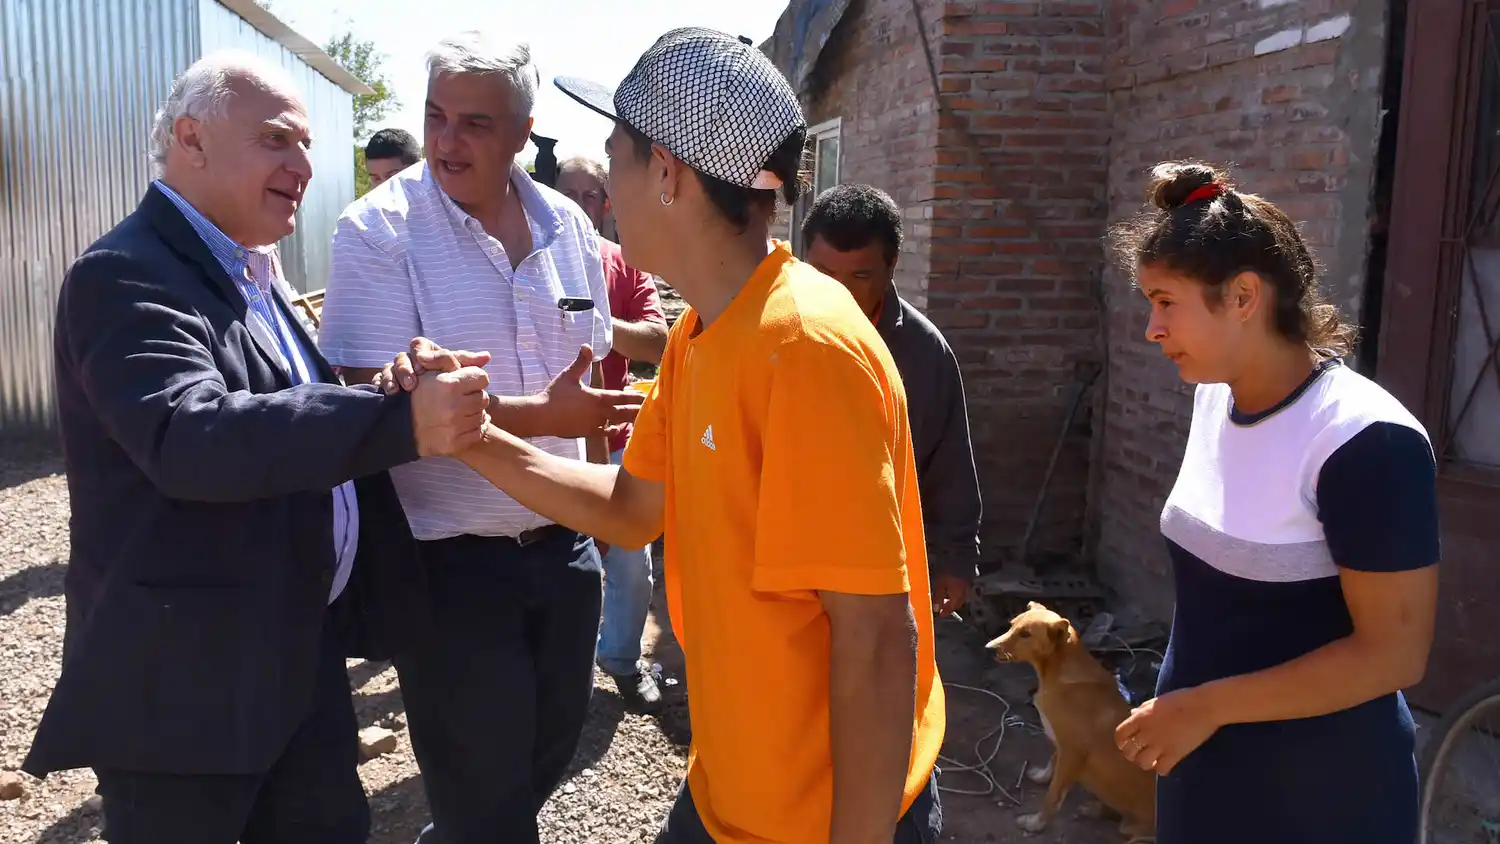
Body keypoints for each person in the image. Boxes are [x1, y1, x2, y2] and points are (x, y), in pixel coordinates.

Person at [384, 27, 945, 844]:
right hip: (732, 794)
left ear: (669, 174)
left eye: (617, 155)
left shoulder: (805, 348)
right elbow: (630, 508)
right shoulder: (703, 332)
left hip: (820, 819)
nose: (607, 189)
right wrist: (467, 431)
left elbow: (875, 638)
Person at [21, 50, 490, 844]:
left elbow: (277, 407)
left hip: (291, 657)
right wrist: (399, 423)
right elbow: (189, 434)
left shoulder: (251, 274)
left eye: (306, 145)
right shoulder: (125, 274)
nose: (303, 166)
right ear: (191, 140)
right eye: (277, 139)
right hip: (182, 691)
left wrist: (393, 388)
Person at [316, 31, 640, 844]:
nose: (446, 141)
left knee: (550, 746)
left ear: (523, 133)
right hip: (446, 564)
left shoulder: (568, 225)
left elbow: (586, 385)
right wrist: (546, 418)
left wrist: (599, 511)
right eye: (436, 116)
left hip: (565, 546)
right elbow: (379, 412)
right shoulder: (378, 231)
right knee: (483, 789)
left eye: (475, 124)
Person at [1108, 161, 1440, 844]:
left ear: (1243, 296)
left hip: (1321, 798)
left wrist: (1205, 707)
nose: (1152, 329)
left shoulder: (1364, 441)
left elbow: (1395, 656)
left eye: (1166, 302)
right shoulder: (1213, 397)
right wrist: (1191, 716)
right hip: (1203, 772)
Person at [800, 183, 982, 618]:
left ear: (891, 266)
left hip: (878, 565)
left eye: (860, 277)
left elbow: (949, 463)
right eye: (823, 274)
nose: (838, 292)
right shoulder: (770, 333)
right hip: (783, 560)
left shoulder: (922, 353)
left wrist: (956, 559)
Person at [556, 154, 670, 707]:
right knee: (556, 558)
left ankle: (621, 657)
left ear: (605, 206)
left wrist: (599, 327)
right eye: (567, 193)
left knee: (630, 557)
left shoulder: (625, 263)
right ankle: (557, 669)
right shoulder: (519, 260)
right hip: (550, 440)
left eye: (589, 196)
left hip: (619, 439)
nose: (577, 206)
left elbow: (658, 340)